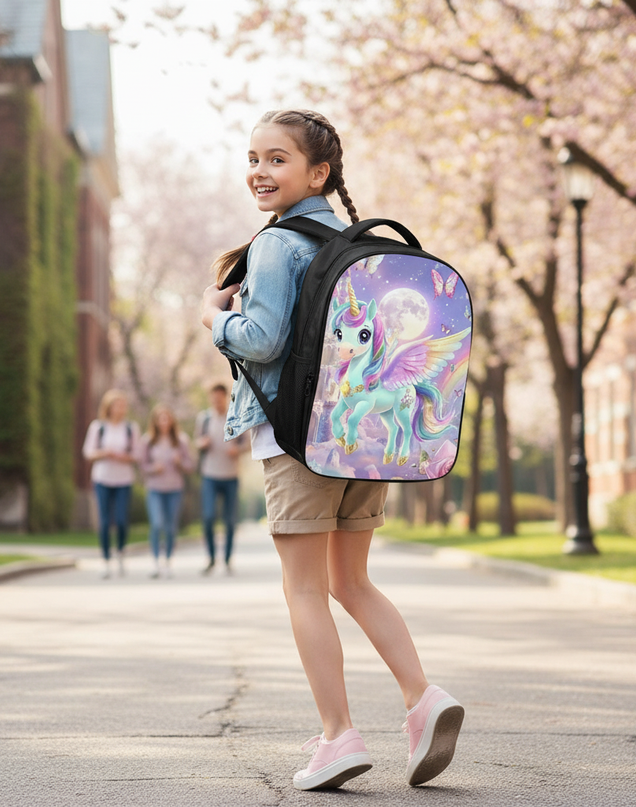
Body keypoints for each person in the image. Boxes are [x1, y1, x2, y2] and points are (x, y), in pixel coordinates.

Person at [201, 109, 464, 791]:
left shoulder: (276, 245)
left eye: (276, 158)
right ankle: (422, 696)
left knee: (304, 588)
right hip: (359, 441)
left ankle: (337, 733)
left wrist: (213, 316)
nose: (258, 170)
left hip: (294, 440)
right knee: (351, 581)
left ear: (318, 172)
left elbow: (259, 340)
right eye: (252, 157)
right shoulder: (344, 243)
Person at [82, 389, 139, 579]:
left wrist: (124, 457)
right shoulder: (98, 427)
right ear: (108, 407)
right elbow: (88, 453)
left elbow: (137, 455)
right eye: (117, 405)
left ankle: (121, 553)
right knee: (105, 521)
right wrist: (104, 452)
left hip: (123, 479)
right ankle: (106, 560)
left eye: (123, 405)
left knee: (121, 520)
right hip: (102, 479)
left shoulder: (131, 428)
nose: (120, 409)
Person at [195, 382, 248, 575]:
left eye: (220, 398)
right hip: (209, 475)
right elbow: (197, 441)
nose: (217, 401)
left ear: (225, 397)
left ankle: (227, 560)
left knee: (229, 520)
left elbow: (247, 443)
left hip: (231, 476)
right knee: (208, 517)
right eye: (214, 398)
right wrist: (203, 443)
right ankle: (210, 558)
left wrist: (238, 450)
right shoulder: (205, 418)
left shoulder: (235, 416)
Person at [140, 404, 195, 579]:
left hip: (174, 489)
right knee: (157, 524)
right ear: (155, 422)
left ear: (172, 421)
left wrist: (180, 463)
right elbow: (141, 466)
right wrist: (152, 468)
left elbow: (191, 466)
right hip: (155, 489)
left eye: (167, 418)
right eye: (160, 418)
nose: (164, 422)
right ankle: (156, 562)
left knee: (171, 527)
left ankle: (168, 561)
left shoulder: (181, 440)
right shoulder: (147, 441)